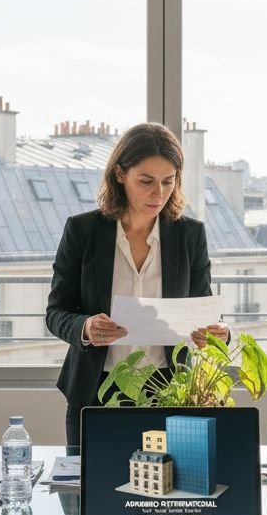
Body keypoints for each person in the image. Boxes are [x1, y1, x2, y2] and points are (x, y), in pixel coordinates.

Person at [46, 123, 228, 446]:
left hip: (169, 390)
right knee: (89, 492)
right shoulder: (82, 231)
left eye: (168, 182)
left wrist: (218, 334)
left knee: (165, 491)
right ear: (120, 175)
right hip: (95, 390)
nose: (158, 193)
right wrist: (85, 327)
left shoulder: (190, 236)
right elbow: (56, 312)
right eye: (146, 181)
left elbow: (202, 308)